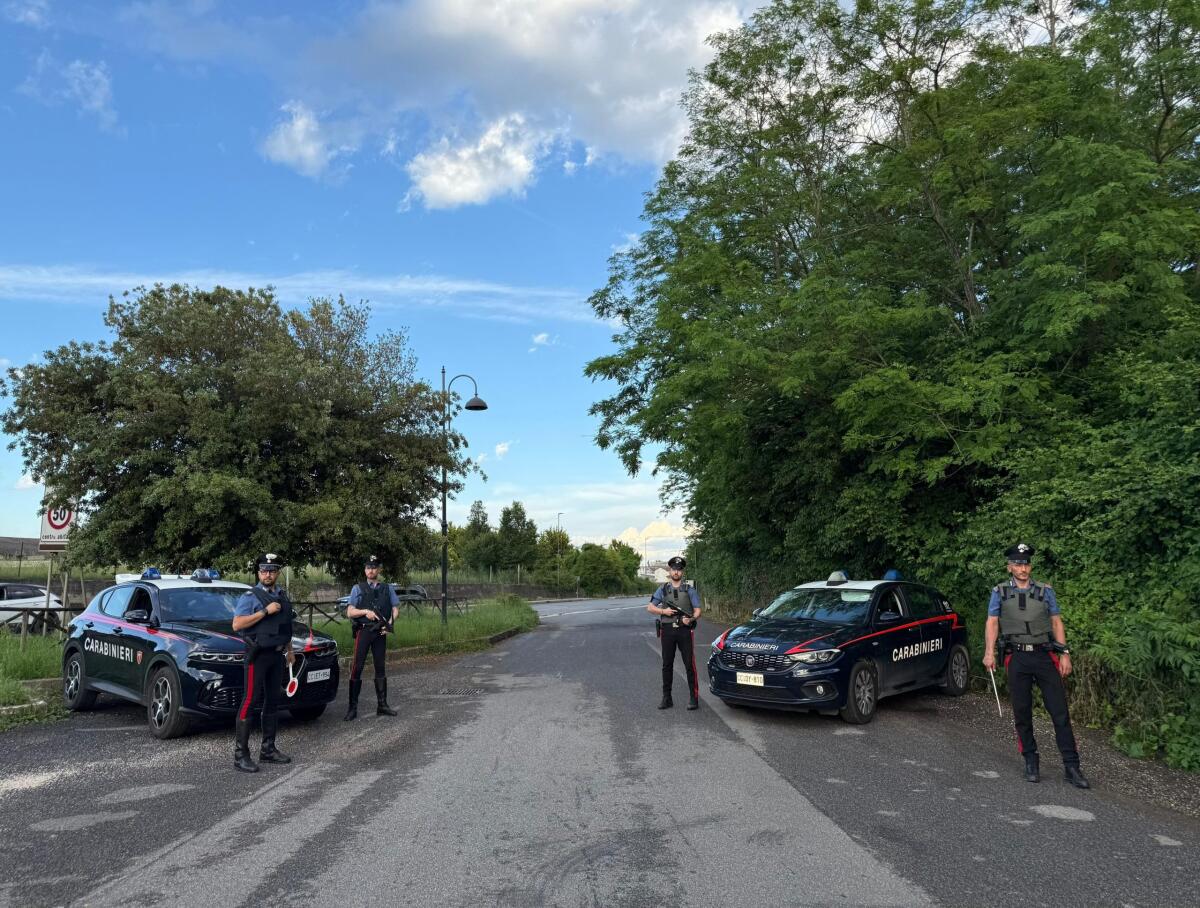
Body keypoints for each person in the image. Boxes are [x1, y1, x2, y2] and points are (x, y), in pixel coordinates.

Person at [983, 543, 1090, 789]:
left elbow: (1056, 623)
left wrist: (1064, 654)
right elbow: (992, 622)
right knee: (1022, 712)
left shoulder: (1045, 591)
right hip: (1017, 656)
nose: (1023, 568)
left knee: (1059, 711)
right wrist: (989, 652)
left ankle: (1071, 766)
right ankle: (1031, 761)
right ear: (1010, 567)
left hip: (1044, 655)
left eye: (1026, 563)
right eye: (1018, 564)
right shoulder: (999, 592)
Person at [231, 552, 295, 773]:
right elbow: (237, 624)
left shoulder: (282, 595)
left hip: (277, 655)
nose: (268, 574)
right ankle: (241, 756)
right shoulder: (250, 597)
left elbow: (285, 625)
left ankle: (268, 749)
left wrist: (289, 650)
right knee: (249, 701)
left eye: (272, 570)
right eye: (264, 570)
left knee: (273, 701)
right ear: (259, 573)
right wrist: (264, 611)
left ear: (277, 573)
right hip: (257, 656)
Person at [343, 554, 400, 721]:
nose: (371, 570)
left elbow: (395, 608)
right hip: (364, 631)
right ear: (365, 570)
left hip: (380, 632)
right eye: (368, 567)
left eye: (374, 568)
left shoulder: (387, 588)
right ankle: (352, 708)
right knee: (357, 667)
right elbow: (349, 612)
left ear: (379, 570)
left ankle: (382, 705)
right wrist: (364, 612)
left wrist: (389, 624)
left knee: (380, 667)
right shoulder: (357, 588)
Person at [647, 555, 702, 710]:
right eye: (673, 569)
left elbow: (698, 611)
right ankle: (667, 698)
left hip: (685, 631)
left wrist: (690, 620)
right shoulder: (663, 589)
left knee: (689, 665)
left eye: (679, 569)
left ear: (682, 572)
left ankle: (693, 698)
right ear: (669, 571)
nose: (676, 572)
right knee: (666, 665)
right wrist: (663, 610)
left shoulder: (689, 590)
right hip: (667, 630)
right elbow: (650, 607)